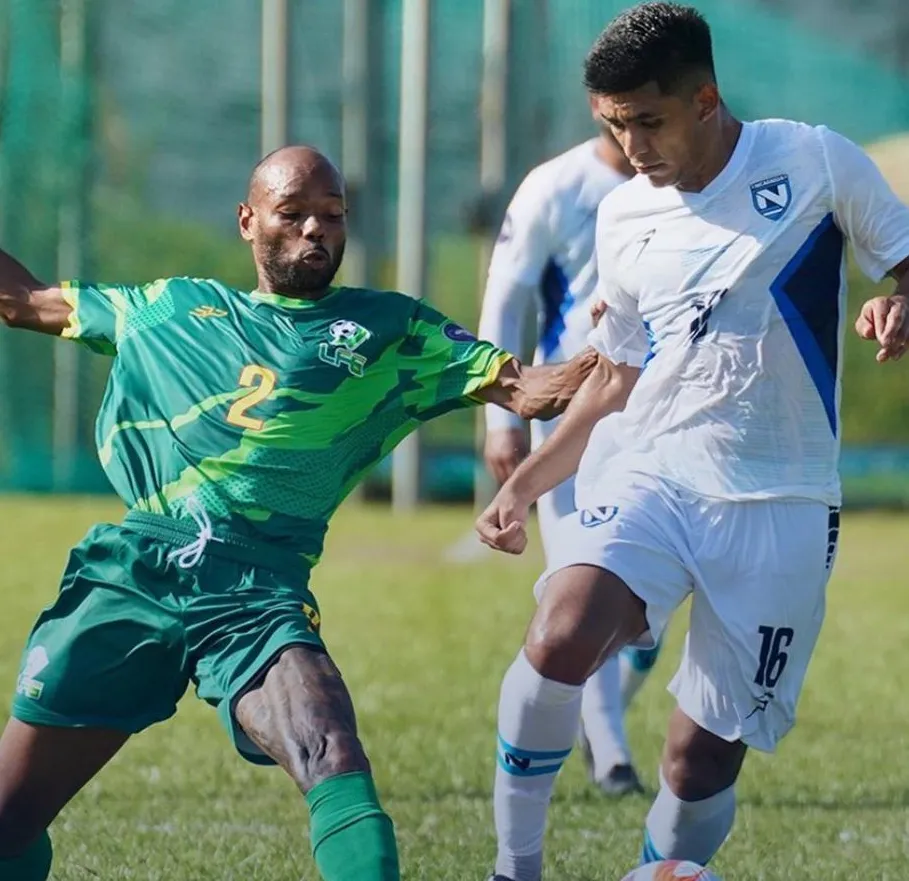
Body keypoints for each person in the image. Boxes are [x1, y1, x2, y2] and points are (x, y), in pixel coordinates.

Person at [0, 145, 598, 881]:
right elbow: (19, 299)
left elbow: (528, 390)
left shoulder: (390, 328)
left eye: (332, 215)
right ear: (247, 221)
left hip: (257, 591)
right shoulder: (165, 306)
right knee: (9, 823)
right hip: (134, 574)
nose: (316, 229)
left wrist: (605, 354)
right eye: (293, 214)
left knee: (331, 749)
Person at [474, 4, 909, 880]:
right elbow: (615, 377)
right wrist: (523, 482)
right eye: (612, 125)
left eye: (647, 121)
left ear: (704, 99)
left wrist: (896, 303)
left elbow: (902, 260)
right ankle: (513, 870)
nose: (630, 147)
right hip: (652, 475)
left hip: (782, 501)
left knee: (697, 760)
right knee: (560, 634)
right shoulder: (622, 216)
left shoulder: (814, 160)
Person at [478, 109, 658, 797]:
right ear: (600, 107)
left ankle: (597, 721)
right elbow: (506, 296)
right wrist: (501, 417)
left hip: (665, 415)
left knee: (649, 618)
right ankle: (611, 755)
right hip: (571, 416)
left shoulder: (690, 182)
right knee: (583, 584)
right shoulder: (555, 186)